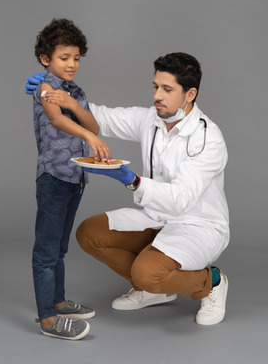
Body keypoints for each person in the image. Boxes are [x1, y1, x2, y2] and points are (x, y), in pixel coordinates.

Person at [26, 52, 229, 326]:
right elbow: (101, 118)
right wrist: (57, 92)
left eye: (167, 89)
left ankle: (211, 282)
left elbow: (182, 199)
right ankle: (157, 290)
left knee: (148, 273)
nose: (158, 95)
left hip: (196, 225)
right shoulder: (152, 119)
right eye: (156, 86)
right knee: (90, 234)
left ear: (190, 94)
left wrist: (132, 181)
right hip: (156, 217)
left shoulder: (208, 138)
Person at [29, 18, 112, 340]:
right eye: (64, 57)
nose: (72, 64)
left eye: (76, 58)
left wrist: (74, 104)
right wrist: (86, 135)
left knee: (60, 248)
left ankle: (59, 301)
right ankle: (47, 319)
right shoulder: (45, 87)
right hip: (53, 178)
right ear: (45, 59)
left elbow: (94, 126)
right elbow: (57, 120)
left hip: (75, 179)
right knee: (46, 252)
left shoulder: (75, 91)